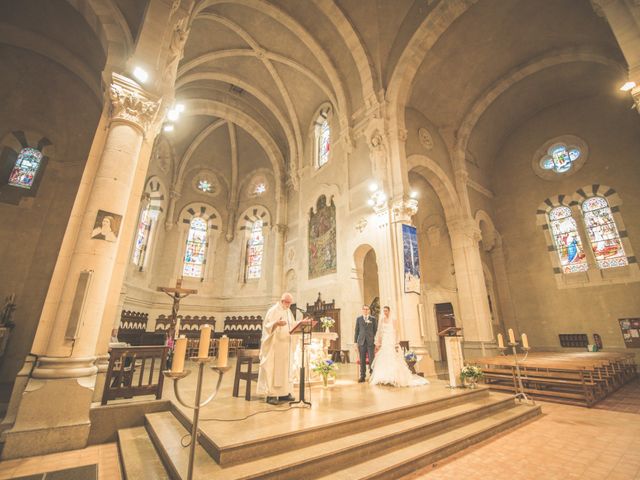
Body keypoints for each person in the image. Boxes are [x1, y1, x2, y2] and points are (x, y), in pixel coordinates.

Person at [370, 306, 429, 387]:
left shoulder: (393, 320)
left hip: (391, 340)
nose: (385, 312)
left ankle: (393, 378)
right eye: (384, 311)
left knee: (392, 358)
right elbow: (379, 332)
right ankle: (383, 378)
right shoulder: (382, 320)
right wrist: (378, 342)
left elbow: (396, 332)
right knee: (384, 358)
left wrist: (396, 343)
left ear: (389, 311)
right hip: (385, 341)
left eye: (386, 311)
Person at [257, 292, 296, 405]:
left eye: (290, 303)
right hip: (275, 345)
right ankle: (272, 395)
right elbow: (267, 326)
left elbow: (292, 325)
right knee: (274, 369)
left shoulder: (288, 312)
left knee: (285, 369)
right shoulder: (273, 310)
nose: (288, 305)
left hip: (286, 345)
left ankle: (284, 393)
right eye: (287, 302)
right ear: (282, 300)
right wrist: (276, 323)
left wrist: (298, 324)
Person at [354, 304, 377, 383]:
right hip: (361, 342)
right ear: (362, 310)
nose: (366, 310)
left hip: (371, 342)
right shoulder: (359, 319)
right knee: (362, 360)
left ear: (369, 310)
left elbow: (375, 331)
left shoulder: (373, 319)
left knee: (371, 359)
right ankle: (362, 376)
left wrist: (375, 340)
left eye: (367, 309)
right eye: (365, 309)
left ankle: (372, 375)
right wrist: (355, 342)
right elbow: (356, 331)